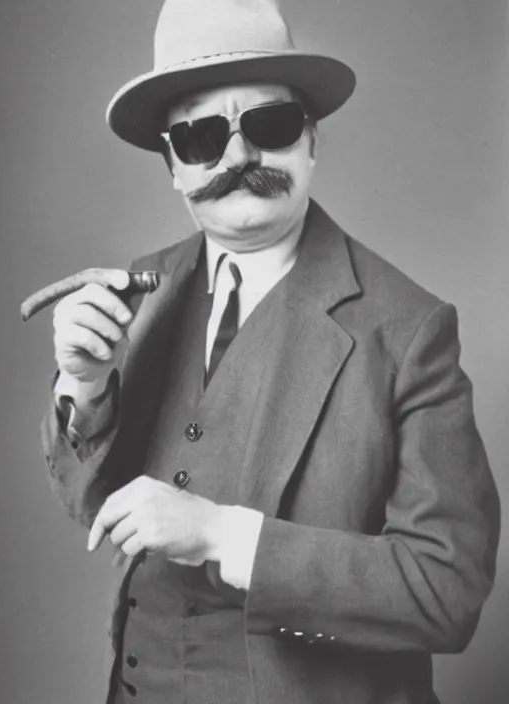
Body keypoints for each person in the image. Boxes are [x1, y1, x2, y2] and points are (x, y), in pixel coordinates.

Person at [41, 1, 500, 702]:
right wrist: (87, 388)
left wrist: (226, 536)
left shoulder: (410, 329)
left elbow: (448, 590)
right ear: (171, 164)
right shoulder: (138, 295)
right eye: (200, 137)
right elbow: (96, 509)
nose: (239, 158)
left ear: (311, 140)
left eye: (270, 125)